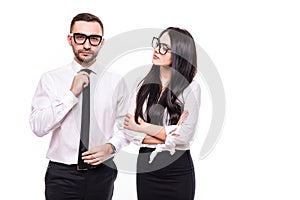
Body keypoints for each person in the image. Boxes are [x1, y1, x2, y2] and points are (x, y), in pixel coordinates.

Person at [29, 13, 129, 200]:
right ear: (70, 39)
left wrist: (111, 147)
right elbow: (38, 127)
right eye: (80, 37)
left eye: (94, 39)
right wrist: (71, 94)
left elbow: (128, 127)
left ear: (102, 42)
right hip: (62, 175)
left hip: (103, 172)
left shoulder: (116, 81)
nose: (86, 45)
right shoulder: (51, 79)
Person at [124, 27, 201, 200]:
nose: (157, 50)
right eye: (158, 44)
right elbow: (129, 131)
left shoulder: (191, 88)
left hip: (177, 169)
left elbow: (185, 137)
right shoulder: (141, 85)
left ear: (180, 55)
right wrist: (170, 133)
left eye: (165, 48)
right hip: (147, 167)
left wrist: (143, 127)